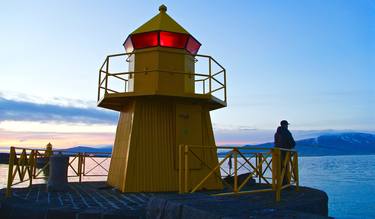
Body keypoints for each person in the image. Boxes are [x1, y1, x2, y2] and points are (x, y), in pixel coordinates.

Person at [274, 120, 295, 185]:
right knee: (285, 168)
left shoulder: (277, 133)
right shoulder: (286, 132)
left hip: (278, 153)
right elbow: (292, 143)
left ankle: (279, 183)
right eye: (287, 125)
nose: (287, 126)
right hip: (285, 152)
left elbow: (276, 143)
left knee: (280, 167)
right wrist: (293, 144)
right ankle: (285, 184)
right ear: (285, 125)